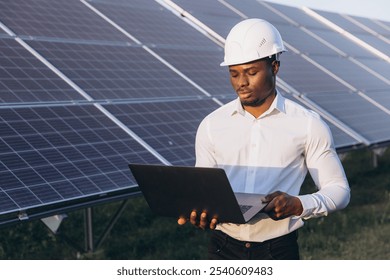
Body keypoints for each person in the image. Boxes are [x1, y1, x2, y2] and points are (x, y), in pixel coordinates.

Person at [178, 18, 350, 260]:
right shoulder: (211, 125)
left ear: (275, 67)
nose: (241, 83)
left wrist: (299, 204)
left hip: (277, 250)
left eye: (251, 72)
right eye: (234, 73)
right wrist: (200, 212)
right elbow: (204, 191)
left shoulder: (308, 124)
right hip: (221, 249)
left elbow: (339, 190)